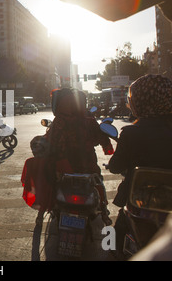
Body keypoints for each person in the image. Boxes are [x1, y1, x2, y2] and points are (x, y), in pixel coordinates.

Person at [108, 74, 172, 257]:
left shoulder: (131, 133)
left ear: (140, 101)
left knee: (114, 243)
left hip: (139, 204)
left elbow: (115, 166)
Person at [44, 88, 114, 226]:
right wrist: (107, 147)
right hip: (87, 165)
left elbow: (49, 142)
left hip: (63, 167)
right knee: (97, 180)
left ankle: (49, 207)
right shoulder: (88, 120)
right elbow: (103, 140)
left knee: (52, 180)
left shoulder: (59, 121)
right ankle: (104, 211)